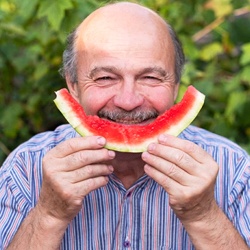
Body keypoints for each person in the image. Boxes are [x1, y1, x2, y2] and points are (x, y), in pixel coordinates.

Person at [0, 2, 249, 249]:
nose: (128, 101)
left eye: (150, 77)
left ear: (175, 86)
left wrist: (204, 216)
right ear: (73, 86)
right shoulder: (26, 167)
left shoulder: (233, 168)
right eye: (105, 78)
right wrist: (49, 214)